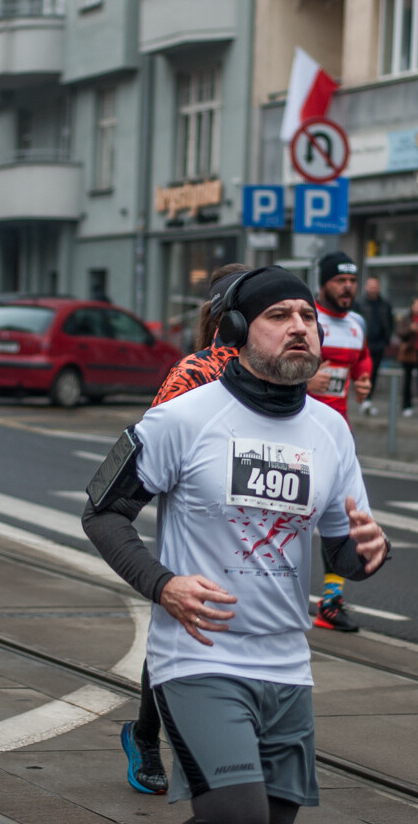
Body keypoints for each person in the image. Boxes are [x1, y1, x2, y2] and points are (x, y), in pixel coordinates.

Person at [83, 266, 389, 823]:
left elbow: (343, 554)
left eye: (308, 317)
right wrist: (163, 585)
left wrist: (371, 552)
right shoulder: (181, 418)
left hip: (287, 665)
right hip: (198, 658)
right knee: (238, 815)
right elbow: (103, 513)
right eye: (279, 315)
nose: (299, 327)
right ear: (238, 331)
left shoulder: (331, 431)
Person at [117, 262, 253, 797]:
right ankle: (147, 737)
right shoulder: (194, 372)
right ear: (231, 317)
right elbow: (151, 445)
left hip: (257, 532)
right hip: (198, 527)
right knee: (185, 630)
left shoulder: (279, 373)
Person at [307, 252, 372, 634]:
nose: (348, 287)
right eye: (340, 281)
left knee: (342, 518)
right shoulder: (305, 318)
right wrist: (304, 381)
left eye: (352, 281)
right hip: (298, 432)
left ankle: (330, 603)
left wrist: (363, 382)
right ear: (324, 283)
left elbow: (362, 361)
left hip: (338, 435)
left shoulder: (356, 323)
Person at [355, 276, 393, 417]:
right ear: (366, 287)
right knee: (365, 371)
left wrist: (387, 339)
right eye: (371, 286)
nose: (373, 289)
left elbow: (390, 322)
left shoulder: (384, 304)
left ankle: (368, 399)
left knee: (374, 372)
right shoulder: (360, 304)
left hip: (379, 344)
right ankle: (364, 399)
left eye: (375, 286)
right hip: (365, 343)